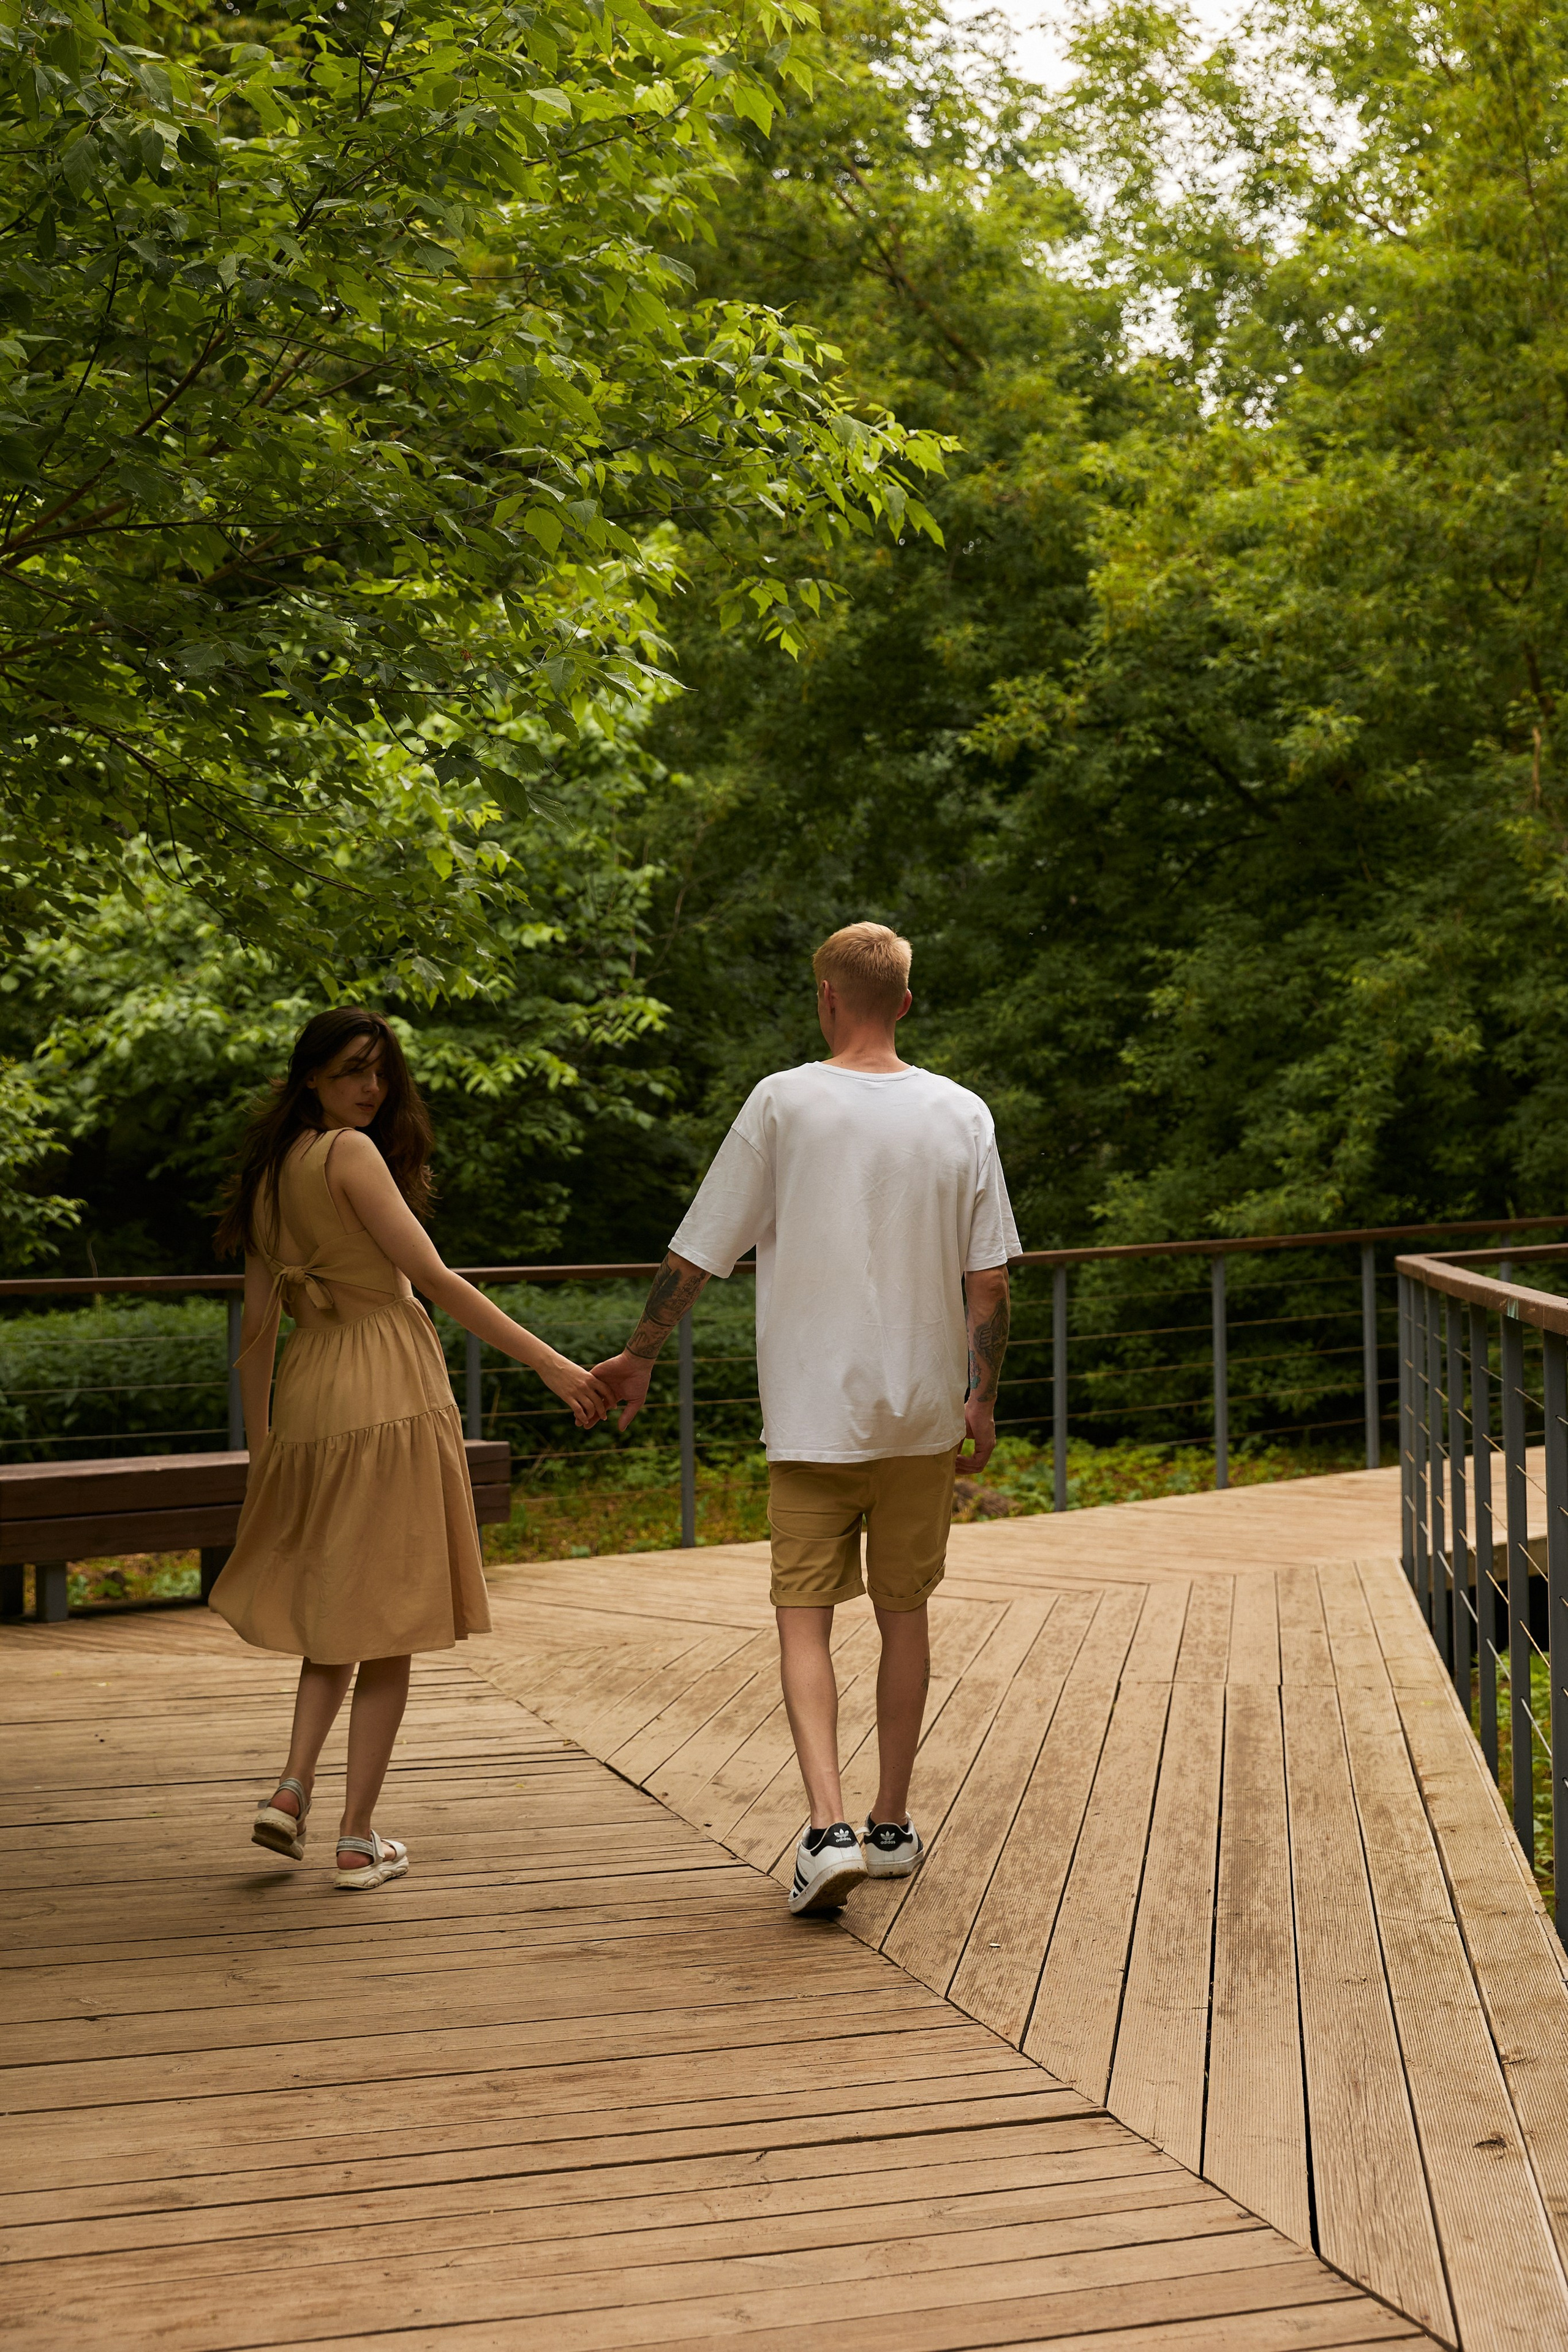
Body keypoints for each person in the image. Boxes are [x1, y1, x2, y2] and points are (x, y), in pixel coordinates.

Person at [592, 922, 1017, 1913]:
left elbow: (698, 1252)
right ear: (905, 1002)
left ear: (826, 996)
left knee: (804, 1619)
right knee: (904, 1615)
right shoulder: (962, 1115)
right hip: (921, 1420)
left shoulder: (782, 1103)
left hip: (811, 1419)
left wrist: (638, 1355)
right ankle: (893, 1822)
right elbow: (989, 1280)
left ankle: (825, 1830)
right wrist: (980, 1398)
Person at [211, 1008, 608, 1890]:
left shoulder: (269, 1172)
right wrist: (549, 1364)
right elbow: (433, 1280)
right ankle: (355, 1837)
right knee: (390, 1615)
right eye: (354, 1069)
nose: (371, 1087)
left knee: (337, 1606)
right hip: (386, 1383)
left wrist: (265, 1449)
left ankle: (290, 1791)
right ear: (311, 1074)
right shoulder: (350, 1153)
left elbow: (257, 1328)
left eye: (381, 1073)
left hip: (311, 1392)